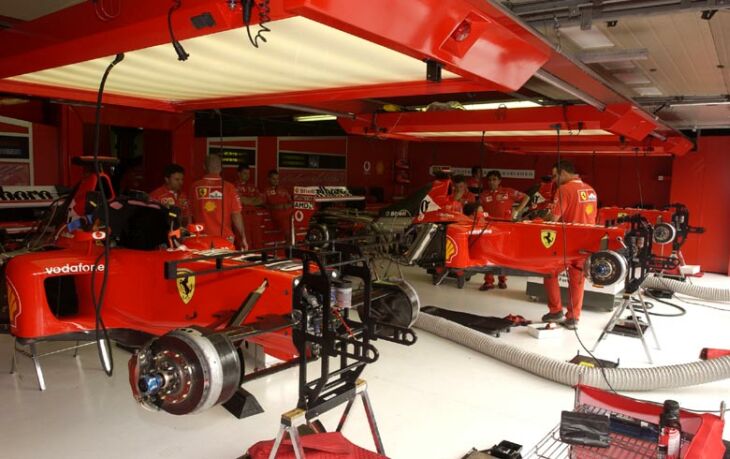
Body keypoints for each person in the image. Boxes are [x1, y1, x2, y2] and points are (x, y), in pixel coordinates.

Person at [541, 160, 598, 330]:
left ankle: (555, 310)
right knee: (577, 280)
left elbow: (554, 218)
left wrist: (543, 218)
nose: (554, 180)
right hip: (586, 241)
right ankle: (573, 318)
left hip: (565, 242)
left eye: (555, 176)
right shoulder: (590, 190)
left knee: (549, 273)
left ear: (563, 173)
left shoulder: (564, 190)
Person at [478, 170, 528, 291]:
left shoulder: (508, 191)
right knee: (488, 254)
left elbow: (526, 197)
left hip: (506, 227)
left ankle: (502, 280)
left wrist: (517, 210)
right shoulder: (483, 194)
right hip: (489, 228)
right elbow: (479, 207)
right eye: (489, 180)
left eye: (494, 179)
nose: (491, 182)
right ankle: (488, 281)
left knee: (503, 255)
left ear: (500, 181)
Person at [189, 154, 247, 249]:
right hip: (225, 238)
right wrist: (243, 237)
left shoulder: (194, 187)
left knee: (205, 263)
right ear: (221, 168)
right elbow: (236, 215)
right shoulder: (230, 187)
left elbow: (189, 214)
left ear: (204, 167)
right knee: (225, 263)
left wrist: (190, 235)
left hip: (201, 238)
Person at [235, 163, 263, 248]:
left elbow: (260, 200)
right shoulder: (234, 186)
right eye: (245, 173)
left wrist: (247, 200)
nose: (247, 175)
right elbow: (241, 200)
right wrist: (252, 200)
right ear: (239, 174)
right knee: (245, 242)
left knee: (257, 242)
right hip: (242, 217)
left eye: (248, 173)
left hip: (254, 216)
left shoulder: (252, 186)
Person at [263, 169, 293, 242]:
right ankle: (290, 250)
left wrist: (288, 205)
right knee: (289, 235)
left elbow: (291, 202)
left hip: (290, 214)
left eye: (277, 179)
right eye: (273, 179)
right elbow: (263, 204)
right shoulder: (265, 191)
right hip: (278, 215)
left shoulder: (284, 190)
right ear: (269, 179)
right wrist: (274, 207)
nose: (276, 181)